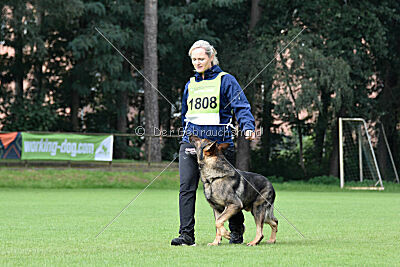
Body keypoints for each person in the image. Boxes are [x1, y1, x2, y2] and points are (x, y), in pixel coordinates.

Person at [171, 40, 256, 246]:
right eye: (194, 59)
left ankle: (236, 231)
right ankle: (186, 235)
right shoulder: (190, 84)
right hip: (191, 142)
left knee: (228, 189)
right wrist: (186, 134)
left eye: (201, 58)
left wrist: (248, 125)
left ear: (211, 57)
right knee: (187, 187)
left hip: (218, 146)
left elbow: (241, 105)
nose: (197, 63)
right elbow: (185, 114)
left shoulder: (225, 80)